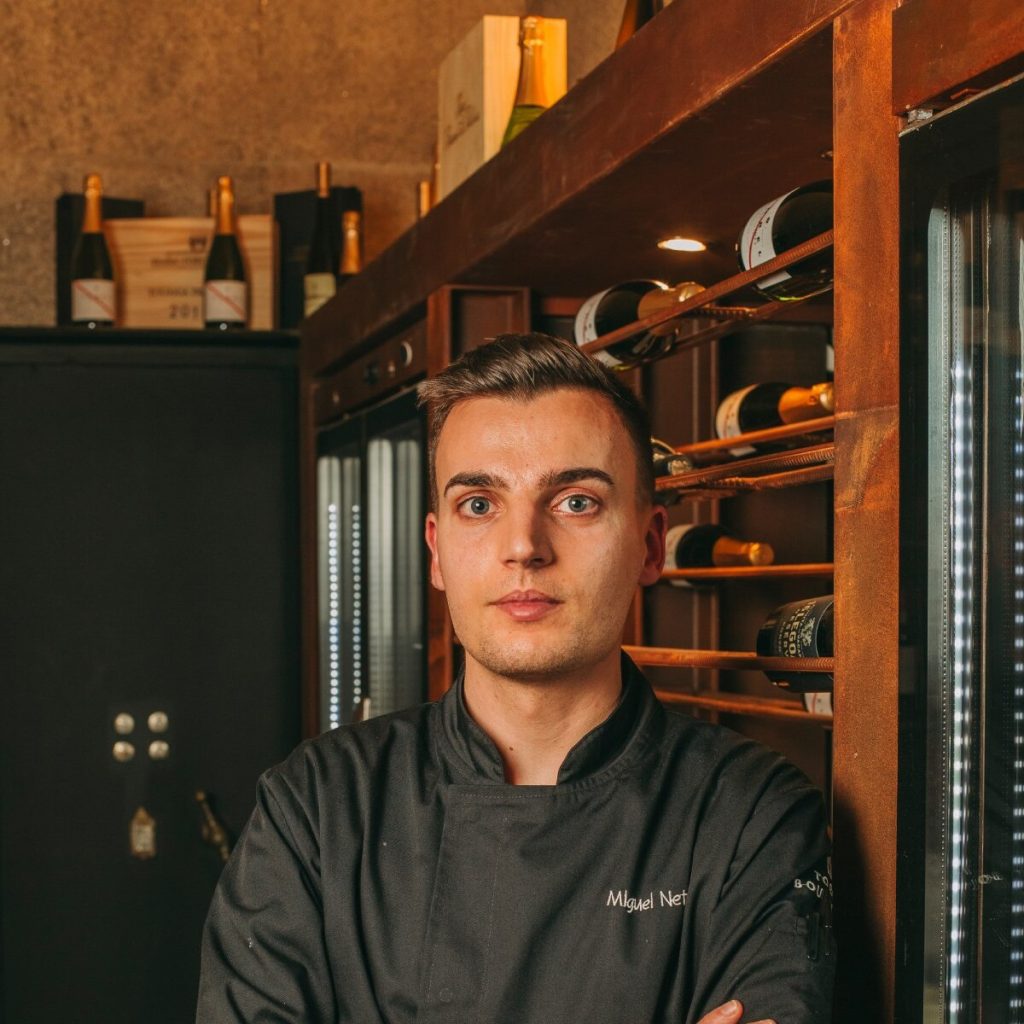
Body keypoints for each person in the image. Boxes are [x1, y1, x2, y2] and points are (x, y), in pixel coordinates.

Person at [196, 332, 835, 1024]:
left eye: (576, 502)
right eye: (480, 504)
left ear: (649, 545)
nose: (524, 546)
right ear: (438, 553)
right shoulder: (315, 809)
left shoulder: (752, 816)